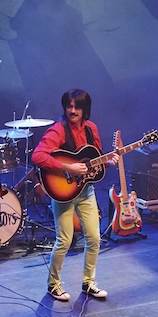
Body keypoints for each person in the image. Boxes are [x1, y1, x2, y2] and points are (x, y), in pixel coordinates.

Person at [31, 89, 117, 301]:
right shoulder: (58, 130)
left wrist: (107, 162)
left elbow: (94, 159)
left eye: (77, 107)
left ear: (84, 109)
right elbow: (38, 156)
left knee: (94, 238)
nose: (72, 110)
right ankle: (53, 285)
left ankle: (88, 283)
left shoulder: (91, 129)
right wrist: (67, 167)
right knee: (64, 240)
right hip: (63, 192)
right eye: (69, 106)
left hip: (85, 191)